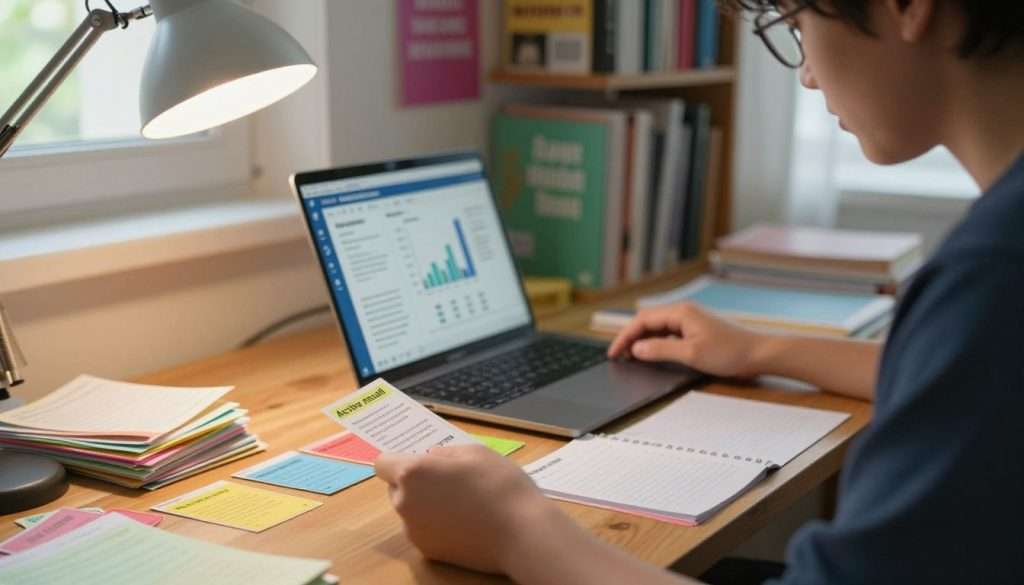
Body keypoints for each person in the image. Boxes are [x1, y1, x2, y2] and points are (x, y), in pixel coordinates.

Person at [375, 0, 1024, 583]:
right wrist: (760, 350)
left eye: (798, 25)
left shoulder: (993, 277)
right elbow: (953, 373)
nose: (807, 75)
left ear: (907, 7)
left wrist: (516, 529)